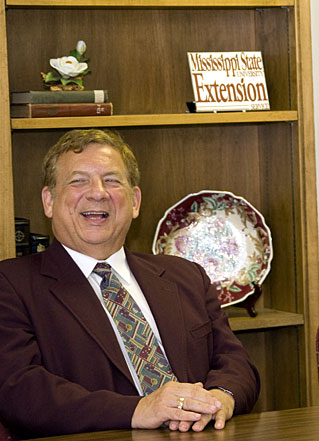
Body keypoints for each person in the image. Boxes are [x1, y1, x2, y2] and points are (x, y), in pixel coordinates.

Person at [0, 129, 260, 438]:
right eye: (78, 180)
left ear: (135, 201)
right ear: (49, 201)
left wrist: (221, 396)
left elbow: (235, 361)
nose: (98, 192)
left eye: (112, 180)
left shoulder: (186, 276)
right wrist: (139, 410)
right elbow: (19, 390)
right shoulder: (12, 284)